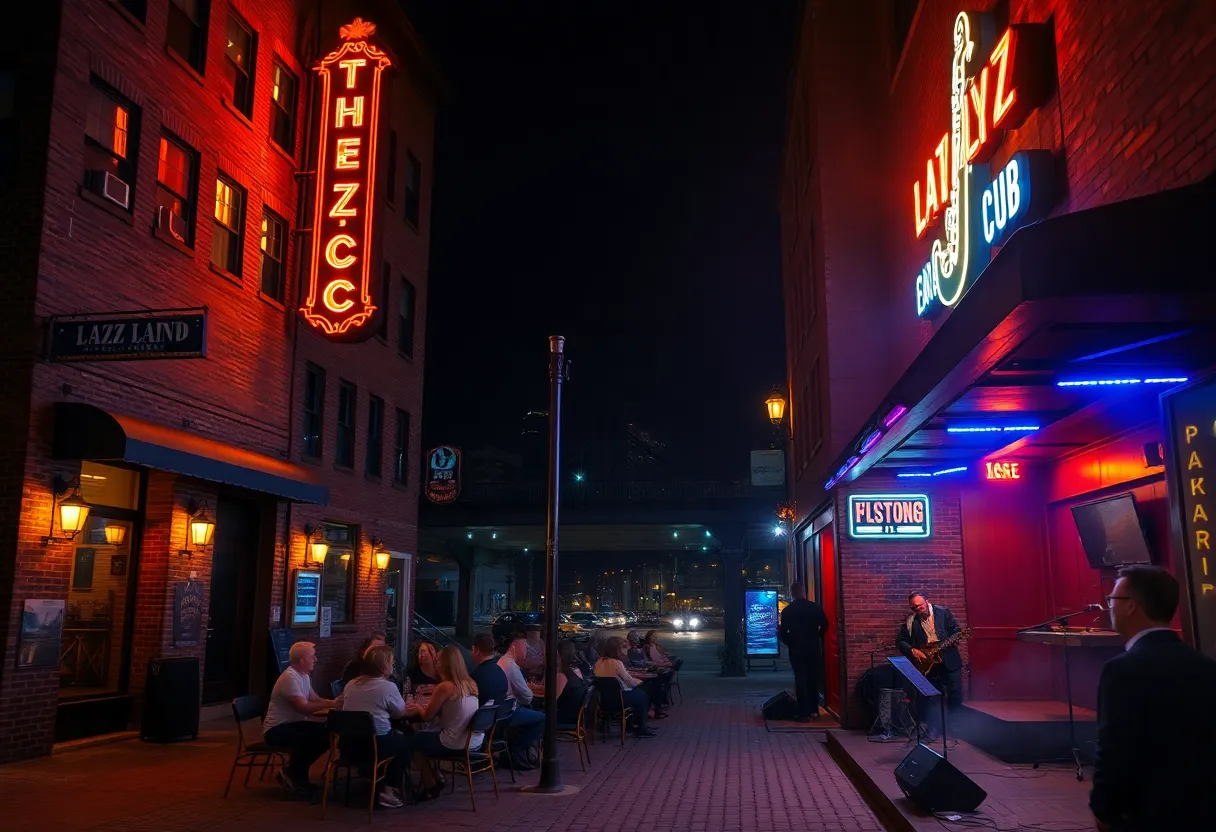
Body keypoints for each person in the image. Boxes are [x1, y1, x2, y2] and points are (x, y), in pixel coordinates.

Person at [1090, 566, 1216, 831]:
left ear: (1132, 606)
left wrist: (1103, 808)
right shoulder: (1206, 666)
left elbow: (1114, 749)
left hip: (1144, 814)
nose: (1109, 607)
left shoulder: (1122, 670)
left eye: (1112, 600)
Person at [402, 645, 485, 801]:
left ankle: (429, 784)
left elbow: (426, 716)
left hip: (454, 742)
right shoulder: (471, 683)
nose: (436, 663)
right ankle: (437, 775)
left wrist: (418, 707)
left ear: (446, 664)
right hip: (474, 741)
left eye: (438, 660)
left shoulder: (445, 686)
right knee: (426, 737)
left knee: (414, 740)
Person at [336, 646, 409, 808]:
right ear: (383, 666)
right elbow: (400, 713)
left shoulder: (351, 684)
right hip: (376, 745)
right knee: (406, 743)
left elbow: (340, 706)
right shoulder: (387, 687)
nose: (393, 666)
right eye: (391, 663)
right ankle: (388, 790)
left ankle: (374, 777)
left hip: (348, 746)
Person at [263, 641, 335, 794]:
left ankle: (294, 772)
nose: (315, 660)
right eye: (312, 656)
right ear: (302, 660)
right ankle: (294, 772)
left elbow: (314, 698)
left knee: (329, 732)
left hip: (293, 724)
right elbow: (304, 707)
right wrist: (334, 704)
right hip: (277, 730)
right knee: (321, 735)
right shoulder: (289, 678)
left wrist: (334, 702)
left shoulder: (303, 675)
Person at [895, 591, 962, 740]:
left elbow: (956, 631)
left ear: (926, 601)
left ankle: (953, 726)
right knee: (932, 697)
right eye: (914, 608)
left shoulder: (943, 613)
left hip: (949, 660)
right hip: (929, 664)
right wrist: (913, 651)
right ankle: (933, 729)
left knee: (955, 695)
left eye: (920, 606)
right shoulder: (911, 621)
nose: (918, 610)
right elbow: (900, 642)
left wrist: (953, 639)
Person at [779, 582, 829, 721]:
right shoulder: (814, 607)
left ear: (792, 593)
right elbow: (825, 624)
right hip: (813, 647)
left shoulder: (788, 610)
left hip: (796, 648)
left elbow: (783, 632)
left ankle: (803, 712)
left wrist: (790, 642)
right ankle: (814, 709)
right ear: (804, 592)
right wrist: (817, 636)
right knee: (814, 678)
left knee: (800, 678)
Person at [497, 634, 544, 769]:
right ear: (513, 646)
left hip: (503, 709)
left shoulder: (502, 661)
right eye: (524, 646)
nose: (526, 650)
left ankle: (516, 751)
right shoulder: (511, 666)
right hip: (508, 712)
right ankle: (517, 750)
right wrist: (529, 689)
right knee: (543, 718)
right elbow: (527, 697)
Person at [594, 636, 657, 738]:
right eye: (623, 647)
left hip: (604, 699)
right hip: (620, 697)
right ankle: (641, 727)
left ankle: (630, 726)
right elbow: (628, 680)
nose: (624, 650)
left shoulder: (599, 662)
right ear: (617, 649)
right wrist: (639, 682)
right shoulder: (617, 663)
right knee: (642, 696)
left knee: (639, 694)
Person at [554, 639, 589, 726]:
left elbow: (549, 702)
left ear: (558, 655)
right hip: (579, 716)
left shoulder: (562, 676)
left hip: (565, 717)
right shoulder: (576, 670)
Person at [469, 631, 508, 706]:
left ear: (476, 651)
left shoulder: (475, 678)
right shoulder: (501, 672)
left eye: (472, 650)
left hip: (478, 716)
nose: (471, 653)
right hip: (500, 716)